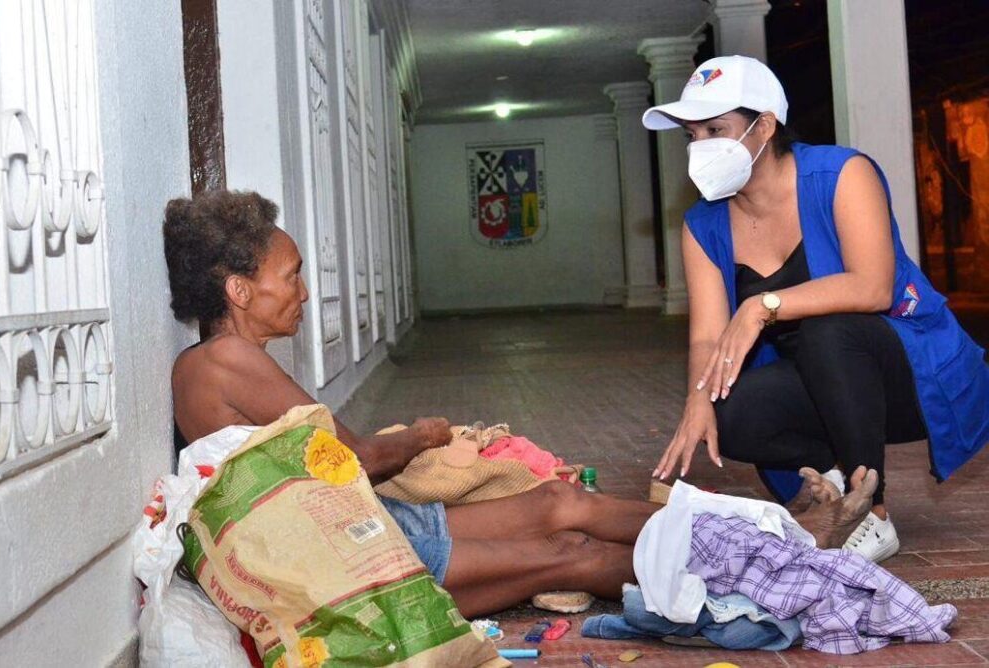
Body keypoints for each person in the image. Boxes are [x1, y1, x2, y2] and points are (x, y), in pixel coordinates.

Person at [162, 189, 878, 616]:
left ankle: (778, 532)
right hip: (359, 560)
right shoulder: (226, 360)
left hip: (364, 527)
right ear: (238, 289)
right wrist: (423, 434)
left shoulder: (214, 363)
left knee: (558, 503)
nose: (302, 291)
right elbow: (359, 458)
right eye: (288, 275)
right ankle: (778, 568)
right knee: (571, 553)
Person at [644, 55, 989, 563]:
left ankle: (871, 514)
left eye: (716, 129)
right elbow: (706, 338)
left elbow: (874, 288)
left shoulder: (842, 174)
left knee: (830, 331)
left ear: (764, 126)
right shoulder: (703, 224)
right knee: (726, 408)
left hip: (907, 376)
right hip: (825, 391)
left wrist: (763, 304)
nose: (700, 146)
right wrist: (697, 401)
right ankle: (828, 481)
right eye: (691, 135)